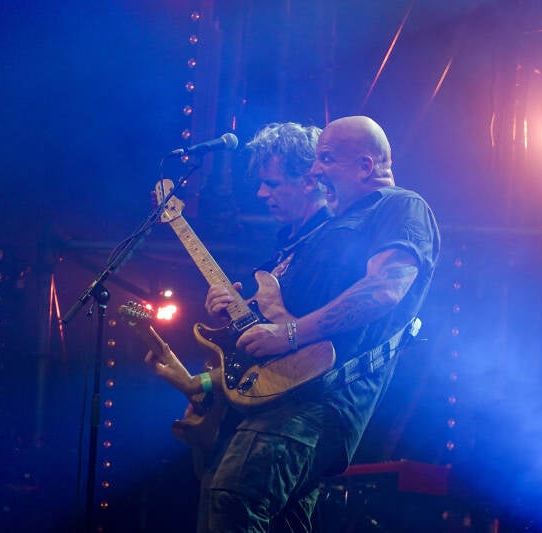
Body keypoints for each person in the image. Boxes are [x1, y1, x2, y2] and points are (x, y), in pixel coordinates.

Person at [154, 116, 440, 532]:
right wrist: (242, 317)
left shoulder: (401, 206)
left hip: (321, 398)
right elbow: (284, 320)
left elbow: (385, 289)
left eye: (327, 159)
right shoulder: (314, 235)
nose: (317, 170)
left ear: (365, 166)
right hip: (275, 394)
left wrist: (288, 334)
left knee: (232, 496)